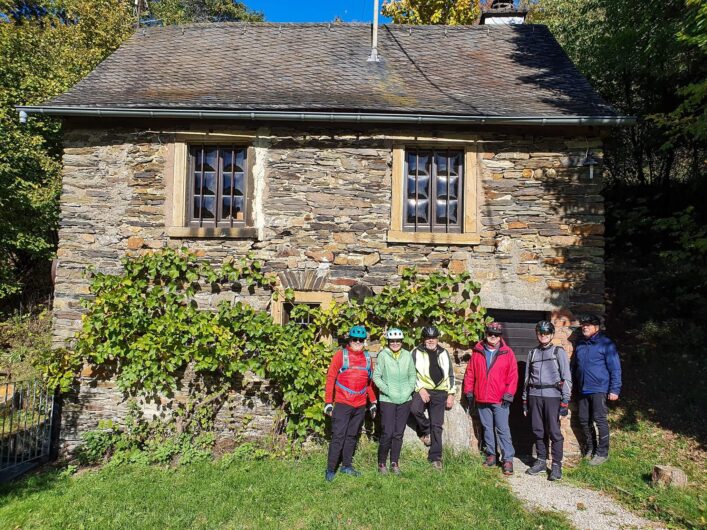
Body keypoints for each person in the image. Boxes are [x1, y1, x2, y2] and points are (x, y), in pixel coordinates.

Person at [463, 321, 518, 476]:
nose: (493, 337)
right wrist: (468, 391)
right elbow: (470, 372)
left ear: (500, 336)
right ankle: (491, 455)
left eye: (496, 335)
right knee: (487, 428)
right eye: (490, 334)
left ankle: (507, 459)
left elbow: (513, 376)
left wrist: (509, 394)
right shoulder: (478, 351)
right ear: (486, 334)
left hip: (500, 398)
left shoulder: (508, 353)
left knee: (502, 429)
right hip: (481, 397)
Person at [324, 325, 378, 481]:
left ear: (364, 341)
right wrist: (328, 402)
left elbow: (368, 383)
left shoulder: (367, 358)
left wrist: (373, 401)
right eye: (355, 339)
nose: (357, 342)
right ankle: (330, 469)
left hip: (360, 405)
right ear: (350, 339)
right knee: (338, 436)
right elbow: (331, 379)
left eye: (361, 340)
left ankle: (346, 466)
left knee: (352, 435)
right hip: (342, 403)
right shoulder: (341, 356)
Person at [522, 321, 572, 481]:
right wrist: (524, 400)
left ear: (551, 335)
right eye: (540, 333)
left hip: (553, 396)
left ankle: (556, 465)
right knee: (538, 430)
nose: (543, 336)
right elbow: (526, 378)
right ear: (537, 334)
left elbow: (566, 378)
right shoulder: (533, 353)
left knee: (554, 431)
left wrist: (565, 401)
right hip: (535, 395)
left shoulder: (558, 352)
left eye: (546, 333)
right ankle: (541, 461)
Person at [571, 313, 622, 466]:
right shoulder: (580, 344)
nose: (584, 327)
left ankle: (602, 453)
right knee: (583, 420)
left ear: (596, 327)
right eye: (583, 325)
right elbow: (574, 367)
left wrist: (615, 389)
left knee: (600, 420)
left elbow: (615, 368)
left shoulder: (606, 344)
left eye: (588, 325)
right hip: (582, 389)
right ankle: (590, 448)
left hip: (599, 388)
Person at [410, 326, 456, 470]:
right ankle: (425, 430)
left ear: (437, 338)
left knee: (437, 425)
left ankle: (435, 457)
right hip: (423, 388)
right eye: (428, 338)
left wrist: (451, 394)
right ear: (423, 339)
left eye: (433, 337)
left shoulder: (443, 352)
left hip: (440, 391)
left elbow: (450, 374)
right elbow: (411, 373)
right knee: (415, 409)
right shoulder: (416, 352)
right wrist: (420, 388)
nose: (431, 340)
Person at [372, 328, 416, 475]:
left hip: (405, 399)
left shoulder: (407, 355)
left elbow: (412, 376)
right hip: (388, 399)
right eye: (392, 341)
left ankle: (394, 462)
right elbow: (376, 377)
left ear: (402, 342)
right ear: (388, 342)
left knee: (398, 433)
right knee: (387, 432)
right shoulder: (383, 355)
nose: (395, 343)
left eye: (398, 341)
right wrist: (387, 390)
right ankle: (382, 463)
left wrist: (408, 391)